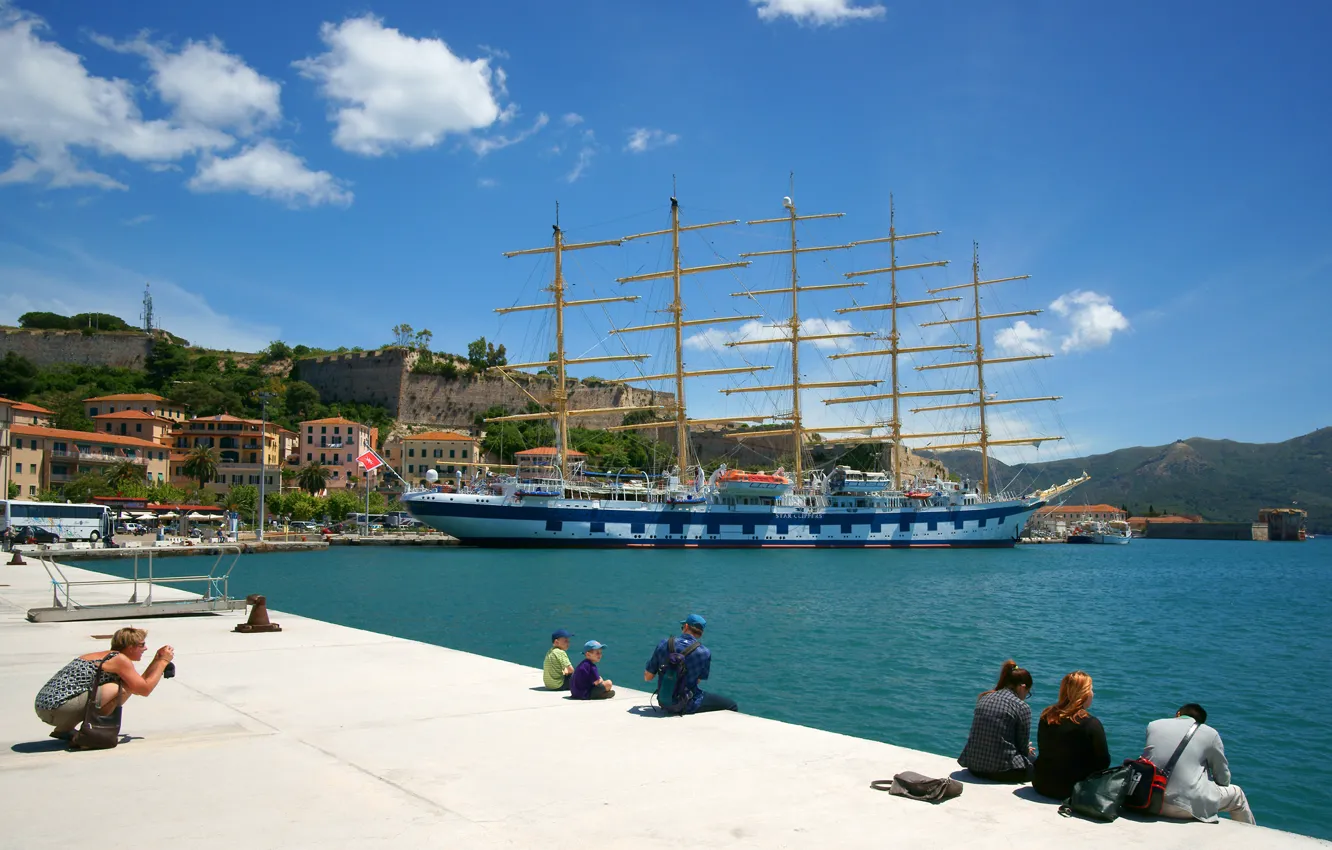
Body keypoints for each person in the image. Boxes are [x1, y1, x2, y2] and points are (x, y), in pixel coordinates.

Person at [33, 627, 174, 740]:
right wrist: (163, 662)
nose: (145, 648)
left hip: (47, 707)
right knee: (120, 689)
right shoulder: (120, 660)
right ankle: (92, 732)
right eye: (141, 645)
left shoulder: (109, 656)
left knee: (124, 686)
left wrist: (157, 660)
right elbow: (143, 690)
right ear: (130, 647)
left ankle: (64, 730)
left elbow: (139, 684)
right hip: (57, 709)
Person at [1142, 703, 1255, 824]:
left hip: (1148, 799)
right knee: (1237, 795)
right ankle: (1251, 836)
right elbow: (1223, 779)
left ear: (1178, 714)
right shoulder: (1211, 734)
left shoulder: (1154, 725)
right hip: (1185, 808)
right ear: (1201, 723)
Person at [1032, 671, 1110, 799]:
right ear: (1084, 694)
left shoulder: (1047, 715)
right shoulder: (1091, 723)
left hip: (1041, 783)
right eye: (1091, 689)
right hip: (1072, 790)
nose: (1093, 693)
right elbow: (1104, 762)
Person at [642, 613, 737, 714]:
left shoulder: (664, 644)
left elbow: (647, 677)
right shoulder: (704, 652)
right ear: (701, 633)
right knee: (732, 705)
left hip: (664, 702)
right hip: (688, 704)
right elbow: (697, 681)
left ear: (686, 626)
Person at [958, 659, 1036, 781]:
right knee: (1034, 762)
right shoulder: (1022, 707)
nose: (1026, 696)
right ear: (1022, 687)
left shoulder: (985, 697)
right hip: (1000, 770)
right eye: (1028, 693)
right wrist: (1027, 749)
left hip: (973, 766)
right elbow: (1022, 748)